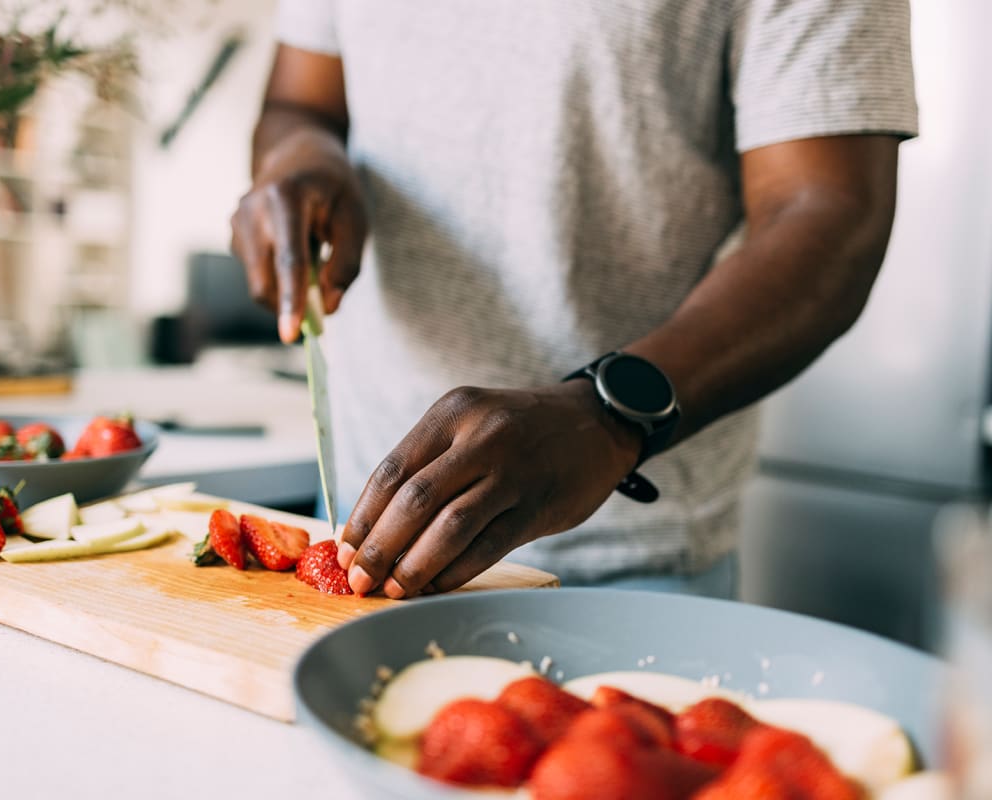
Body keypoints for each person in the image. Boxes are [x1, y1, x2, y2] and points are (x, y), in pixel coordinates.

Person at [230, 0, 917, 601]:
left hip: (628, 564)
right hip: (359, 523)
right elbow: (302, 104)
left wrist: (609, 415)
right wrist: (300, 161)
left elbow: (827, 210)